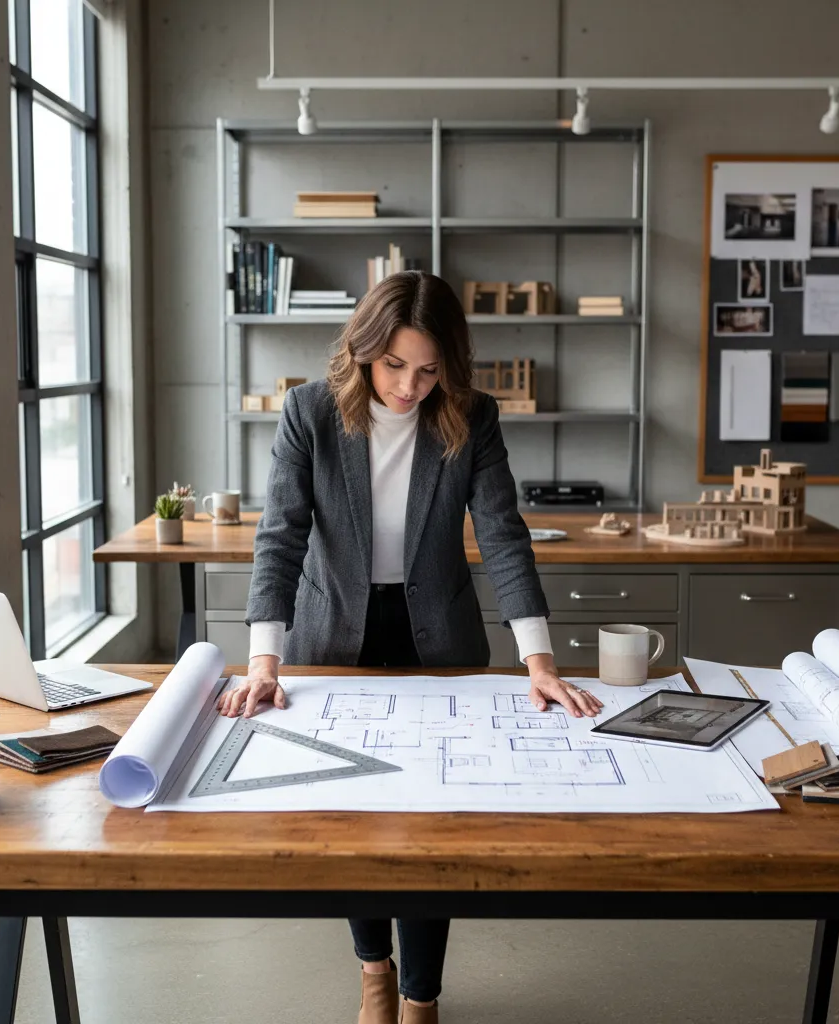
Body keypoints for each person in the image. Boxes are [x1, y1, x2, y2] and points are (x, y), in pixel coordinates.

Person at [217, 270, 602, 1024]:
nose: (408, 386)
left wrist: (540, 661)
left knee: (432, 823)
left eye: (428, 371)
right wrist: (264, 659)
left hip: (439, 640)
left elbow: (503, 534)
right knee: (351, 818)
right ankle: (374, 972)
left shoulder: (470, 414)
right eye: (393, 365)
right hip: (336, 636)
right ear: (364, 350)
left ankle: (422, 995)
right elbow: (281, 537)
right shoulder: (310, 412)